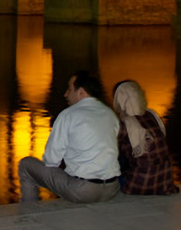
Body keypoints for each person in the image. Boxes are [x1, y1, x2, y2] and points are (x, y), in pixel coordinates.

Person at [18, 71, 121, 203]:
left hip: (84, 191)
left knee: (26, 165)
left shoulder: (69, 115)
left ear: (81, 92)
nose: (65, 94)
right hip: (112, 189)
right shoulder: (110, 114)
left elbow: (51, 160)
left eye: (69, 89)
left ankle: (29, 212)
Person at [112, 80, 179, 195]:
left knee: (114, 154)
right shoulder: (153, 115)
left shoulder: (124, 122)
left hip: (140, 184)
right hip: (165, 182)